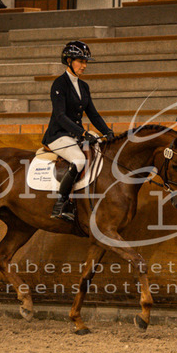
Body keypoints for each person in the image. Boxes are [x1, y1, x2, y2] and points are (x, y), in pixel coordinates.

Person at [42, 41, 114, 222]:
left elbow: (93, 114)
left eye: (85, 62)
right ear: (69, 61)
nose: (84, 66)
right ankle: (61, 203)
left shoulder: (84, 86)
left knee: (100, 150)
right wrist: (82, 133)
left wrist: (107, 131)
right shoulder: (59, 84)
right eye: (81, 61)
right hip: (58, 135)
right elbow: (60, 116)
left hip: (74, 134)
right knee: (79, 160)